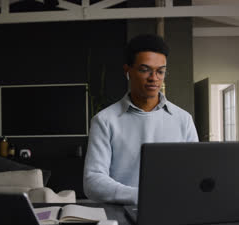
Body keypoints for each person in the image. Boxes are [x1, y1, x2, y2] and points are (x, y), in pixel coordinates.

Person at [83, 34, 198, 205]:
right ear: (127, 71)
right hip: (122, 217)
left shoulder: (184, 119)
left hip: (175, 211)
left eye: (160, 71)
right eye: (145, 70)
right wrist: (142, 196)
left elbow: (196, 173)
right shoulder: (104, 121)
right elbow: (93, 182)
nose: (154, 78)